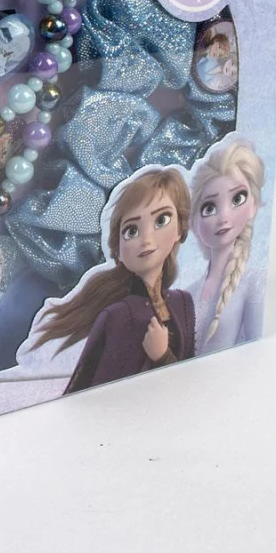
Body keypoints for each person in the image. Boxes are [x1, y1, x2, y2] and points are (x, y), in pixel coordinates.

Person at [31, 167, 196, 393]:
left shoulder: (182, 303)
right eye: (131, 231)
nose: (146, 239)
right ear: (118, 250)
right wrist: (161, 358)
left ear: (180, 229)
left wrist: (163, 356)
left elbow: (190, 377)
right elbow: (103, 392)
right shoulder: (120, 315)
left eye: (161, 220)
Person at [186, 140, 265, 352]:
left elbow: (257, 350)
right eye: (209, 208)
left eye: (237, 198)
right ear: (194, 222)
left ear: (253, 205)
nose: (223, 217)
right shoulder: (188, 293)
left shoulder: (254, 284)